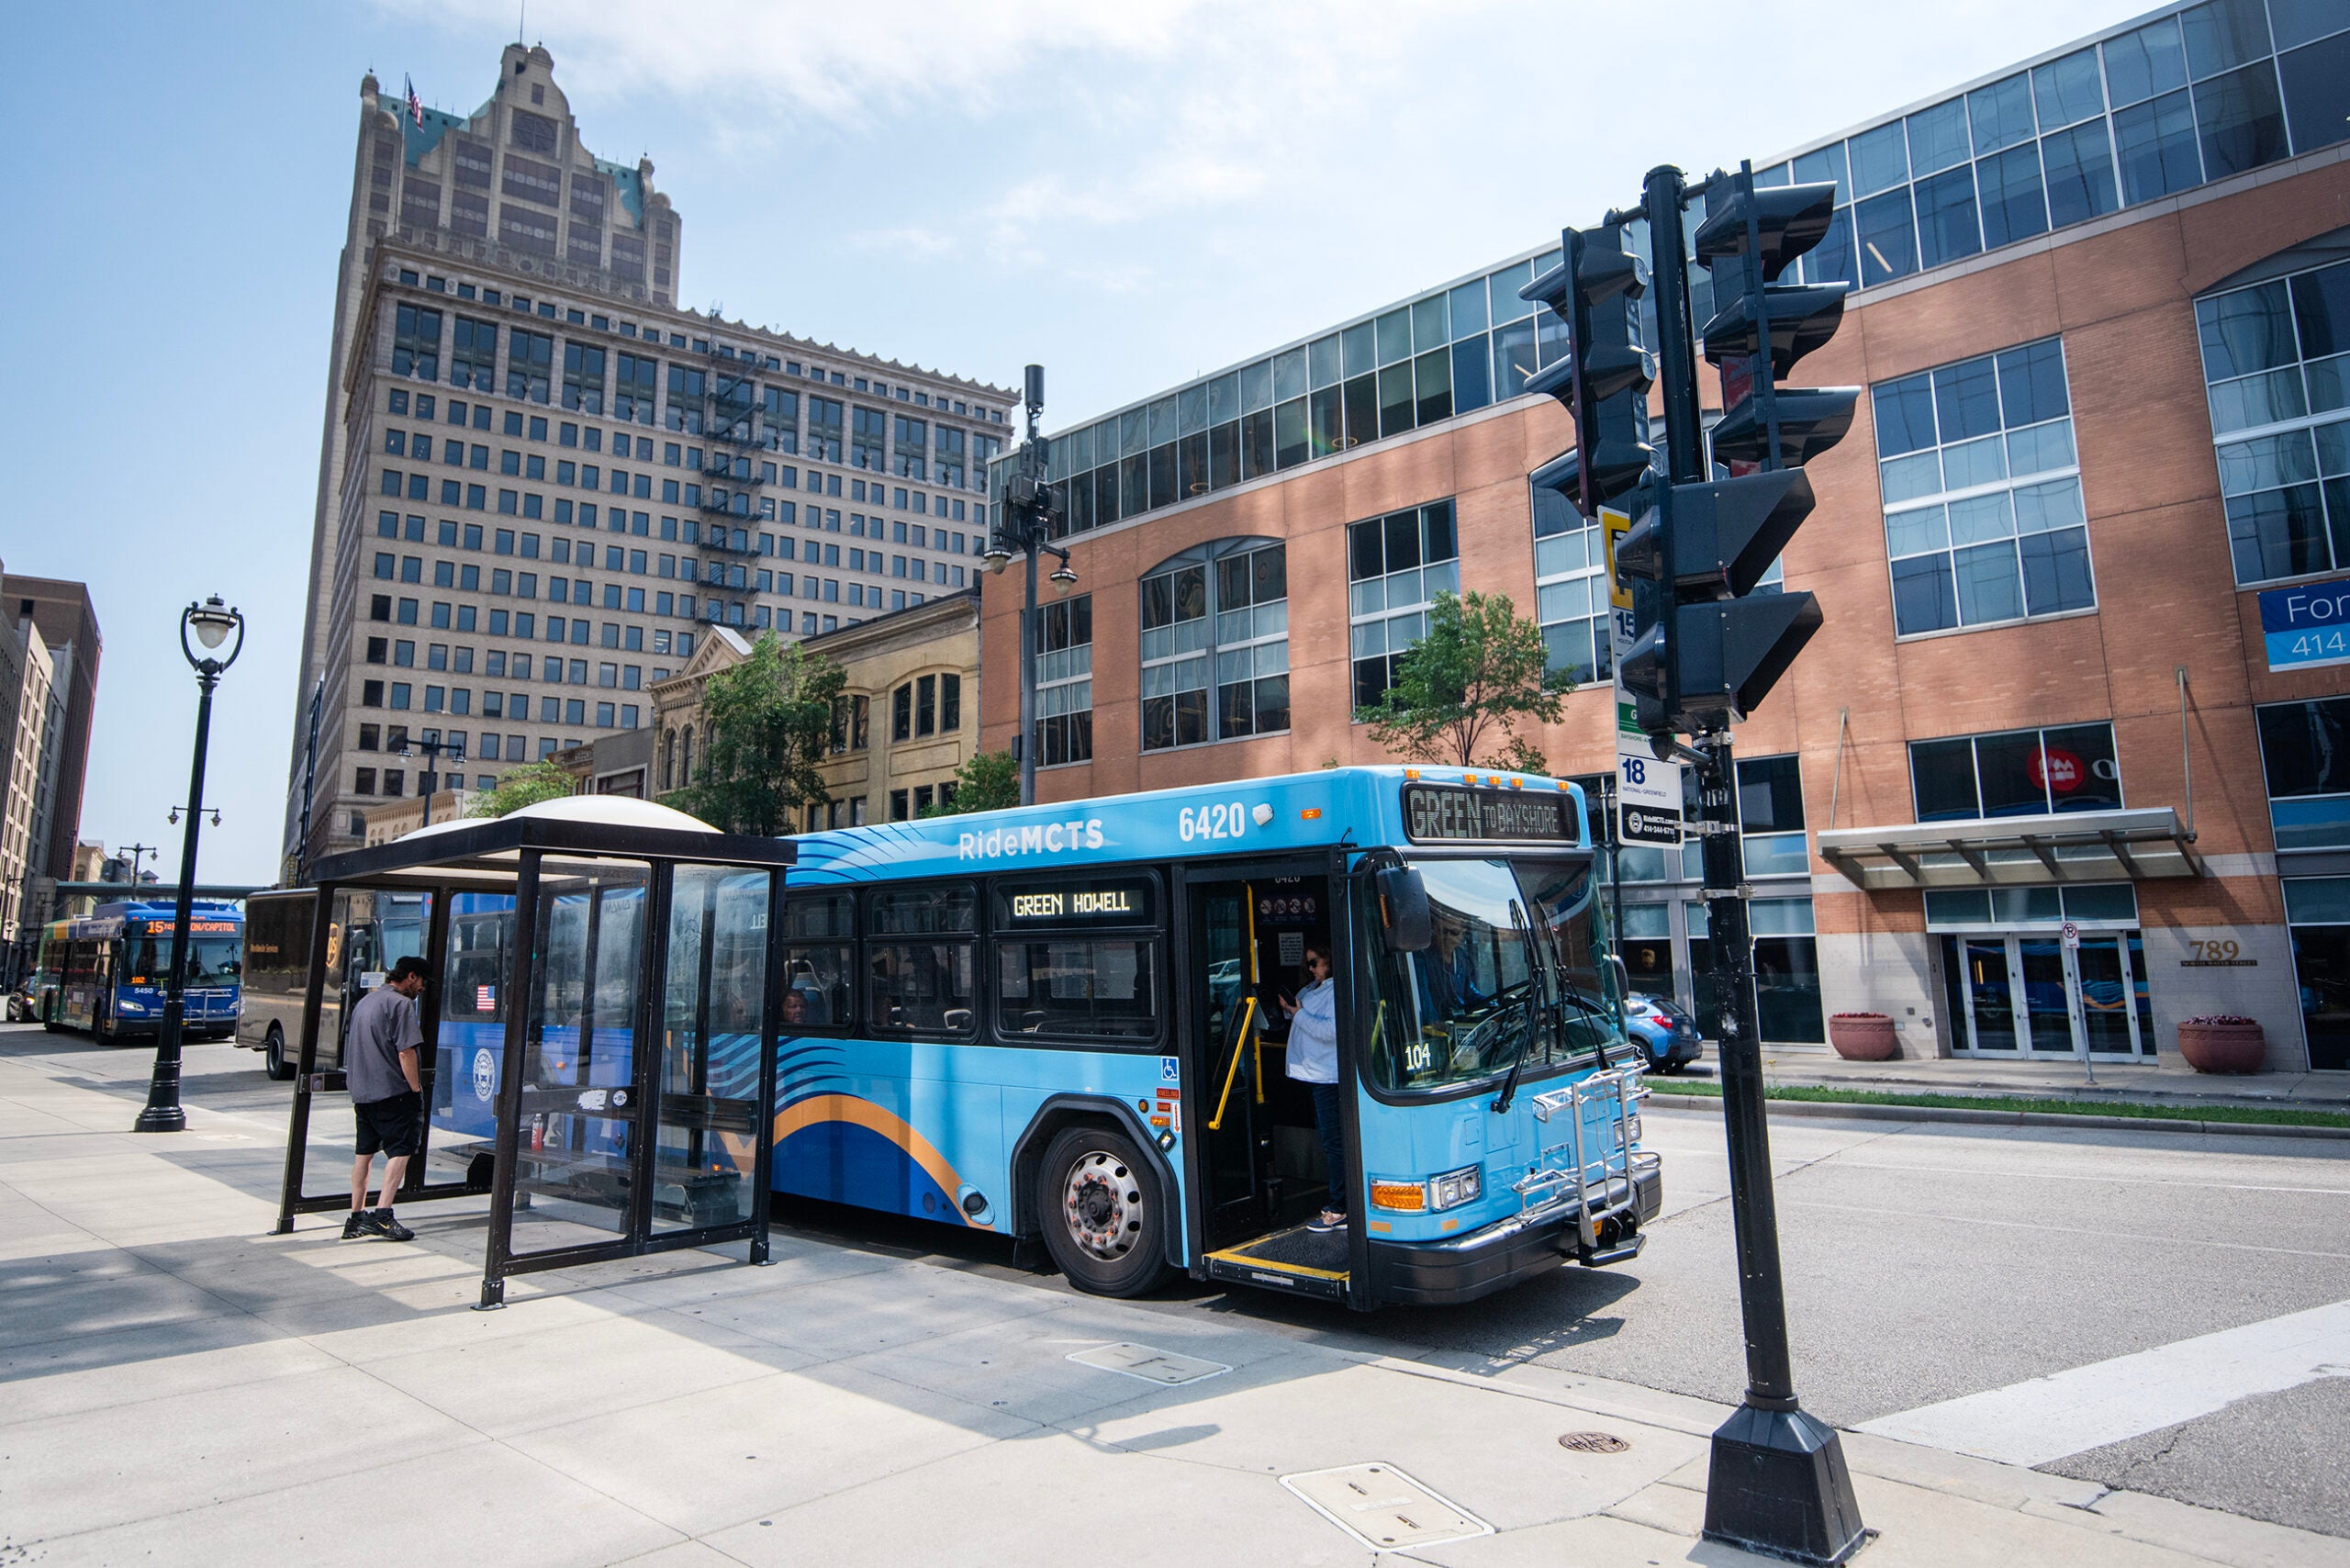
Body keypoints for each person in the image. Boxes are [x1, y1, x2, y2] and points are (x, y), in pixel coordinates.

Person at [343, 955, 431, 1241]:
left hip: (363, 1092)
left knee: (364, 1154)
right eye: (422, 982)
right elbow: (406, 1052)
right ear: (412, 976)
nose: (422, 989)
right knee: (401, 1150)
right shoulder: (400, 1004)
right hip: (393, 1092)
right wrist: (416, 1090)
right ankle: (382, 1215)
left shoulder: (366, 1002)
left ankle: (356, 1218)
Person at [1279, 941, 1346, 1233]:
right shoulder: (1313, 989)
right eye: (1308, 963)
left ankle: (1340, 1207)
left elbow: (1330, 1031)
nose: (1311, 968)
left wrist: (1298, 1013)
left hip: (1327, 1076)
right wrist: (1289, 1007)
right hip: (1312, 1074)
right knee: (1330, 1142)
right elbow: (1297, 1011)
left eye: (1315, 961)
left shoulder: (1335, 990)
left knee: (1334, 1144)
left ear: (1329, 960)